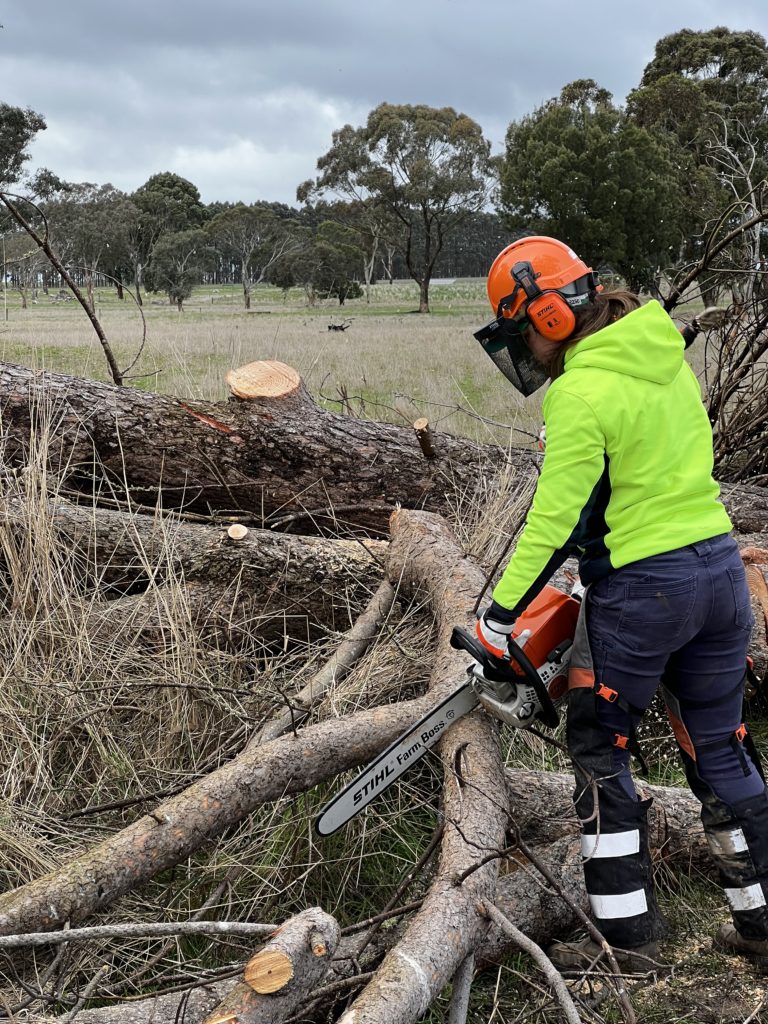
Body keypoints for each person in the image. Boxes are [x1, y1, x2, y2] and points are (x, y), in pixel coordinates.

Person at [472, 236, 768, 971]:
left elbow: (553, 518)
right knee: (721, 750)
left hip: (645, 593)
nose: (527, 353)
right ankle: (763, 927)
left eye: (522, 335)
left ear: (547, 316)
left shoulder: (581, 388)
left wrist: (499, 619)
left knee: (601, 750)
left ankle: (626, 942)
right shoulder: (661, 354)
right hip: (719, 577)